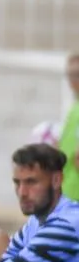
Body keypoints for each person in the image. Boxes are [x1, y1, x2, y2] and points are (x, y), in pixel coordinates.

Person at [60, 52, 79, 202]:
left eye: (76, 74)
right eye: (70, 74)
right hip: (67, 189)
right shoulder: (74, 108)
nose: (72, 80)